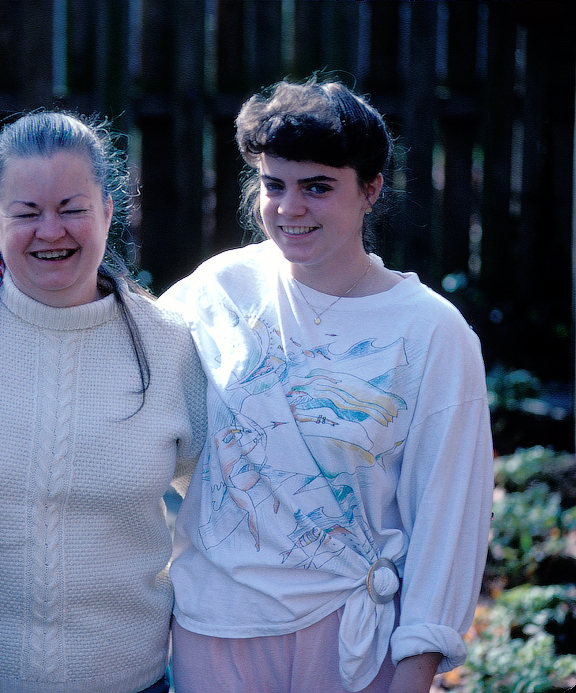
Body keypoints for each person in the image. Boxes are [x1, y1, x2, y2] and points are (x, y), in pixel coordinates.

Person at [160, 78, 494, 693]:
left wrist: (414, 668)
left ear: (370, 191)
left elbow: (448, 518)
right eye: (274, 184)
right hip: (214, 628)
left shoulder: (431, 332)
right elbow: (133, 405)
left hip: (353, 641)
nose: (290, 208)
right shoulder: (216, 291)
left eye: (318, 187)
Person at [0, 111, 207, 693]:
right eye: (26, 213)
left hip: (129, 682)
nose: (51, 231)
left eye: (72, 209)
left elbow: (225, 510)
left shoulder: (168, 344)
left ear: (107, 213)